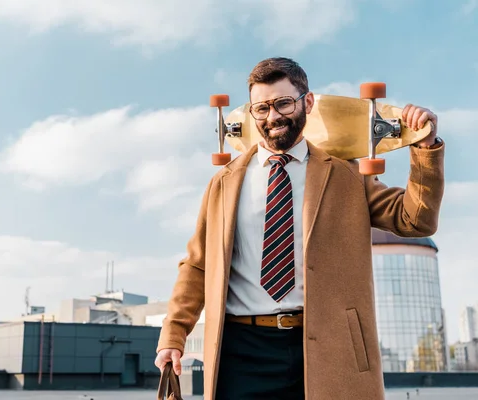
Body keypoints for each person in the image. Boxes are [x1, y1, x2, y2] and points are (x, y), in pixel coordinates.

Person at [154, 57, 445, 399]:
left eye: (283, 103)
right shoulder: (223, 184)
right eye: (261, 108)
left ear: (307, 103)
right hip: (240, 352)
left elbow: (416, 220)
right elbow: (197, 265)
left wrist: (425, 150)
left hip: (327, 349)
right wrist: (173, 337)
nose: (273, 116)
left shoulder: (346, 176)